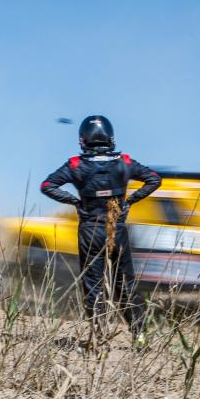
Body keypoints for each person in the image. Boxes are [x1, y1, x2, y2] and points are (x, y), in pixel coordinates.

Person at [40, 115, 161, 347]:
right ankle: (140, 336)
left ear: (83, 140)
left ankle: (99, 338)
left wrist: (74, 202)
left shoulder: (75, 164)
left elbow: (47, 185)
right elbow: (154, 179)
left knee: (93, 285)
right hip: (117, 228)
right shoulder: (125, 161)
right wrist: (130, 201)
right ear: (110, 138)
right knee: (125, 285)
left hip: (90, 230)